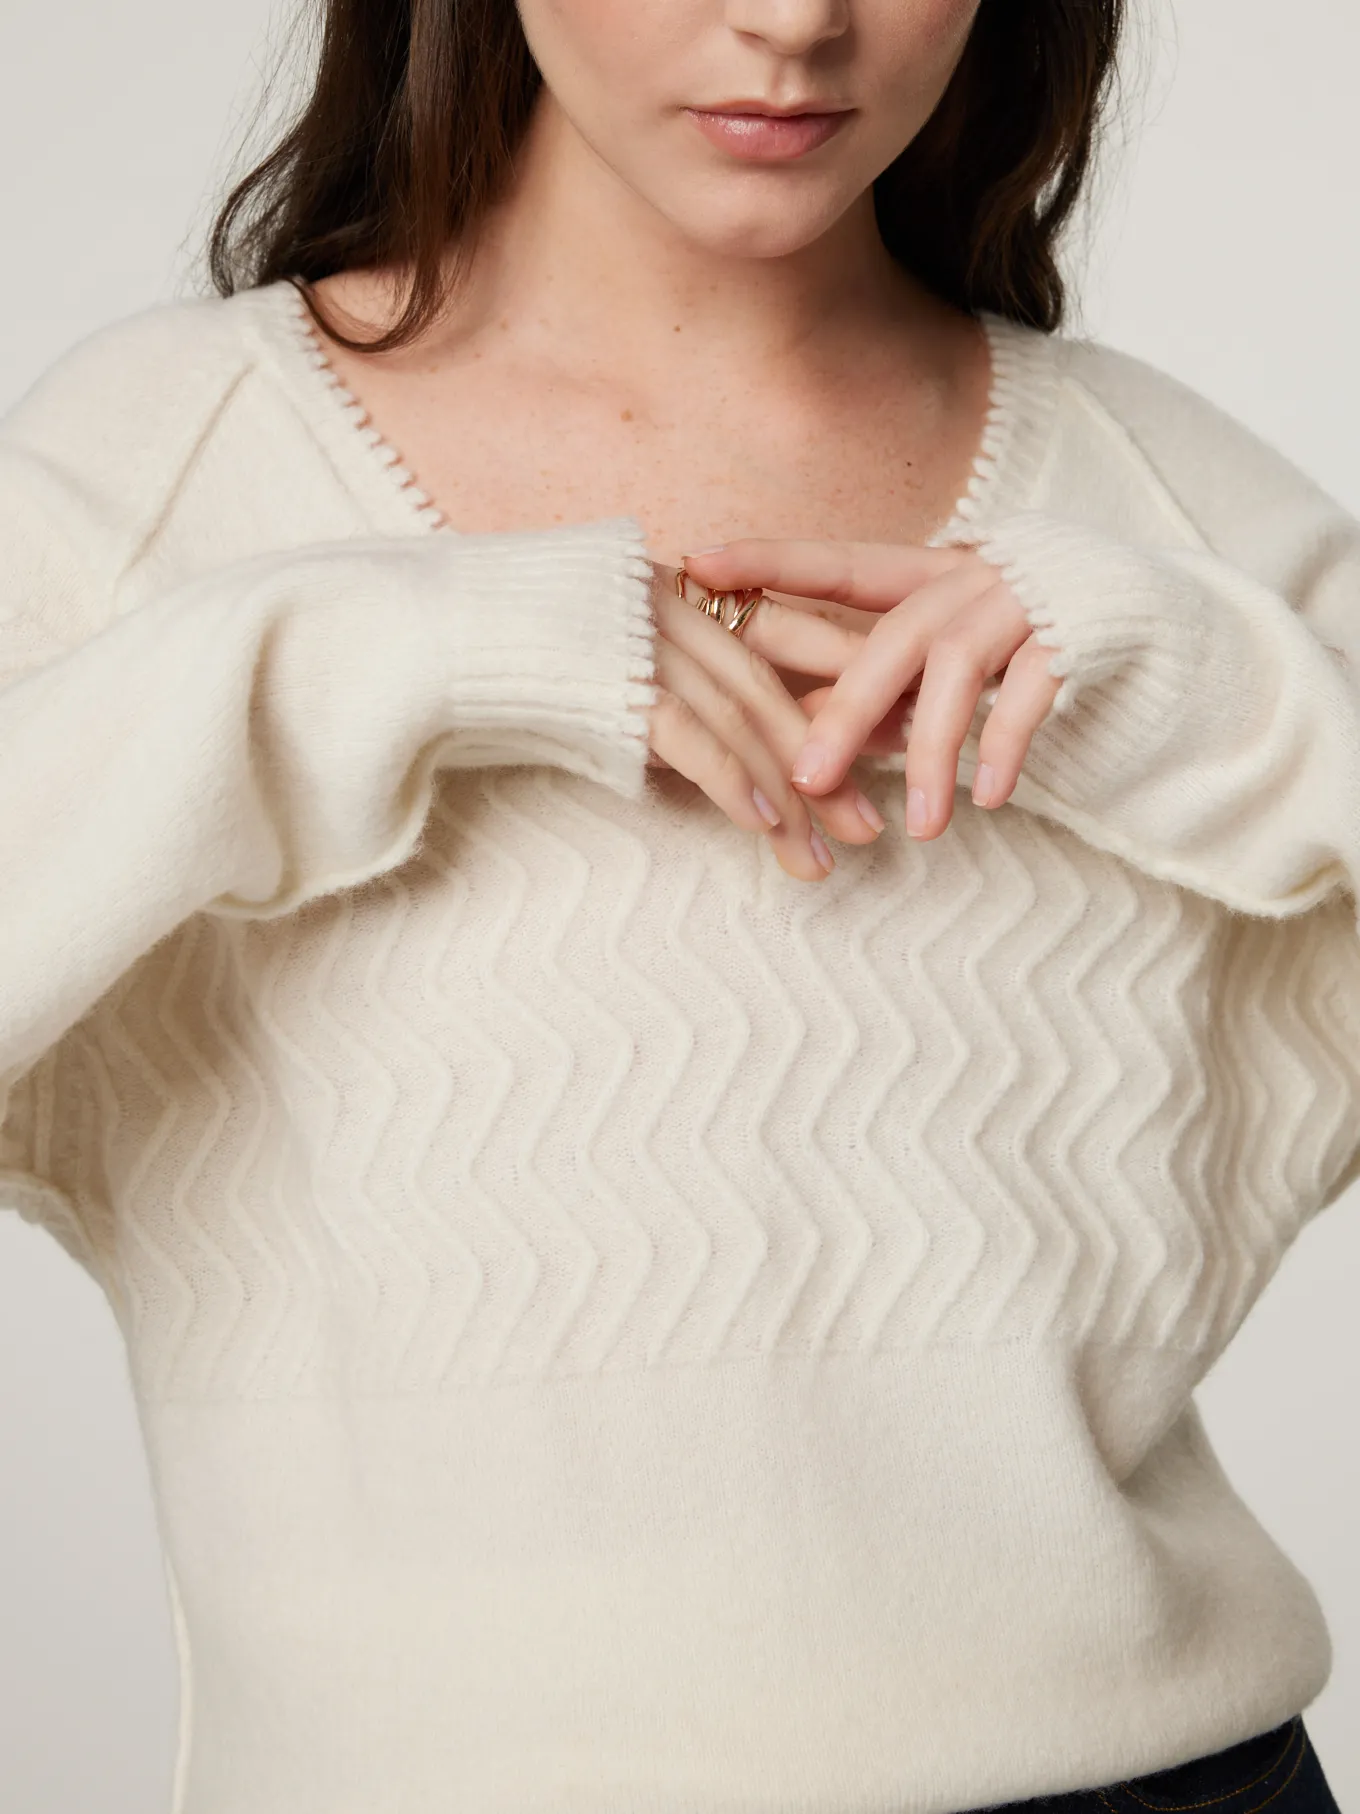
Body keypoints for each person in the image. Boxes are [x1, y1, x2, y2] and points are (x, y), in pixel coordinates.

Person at [0, 0, 1355, 1808]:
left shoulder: (1170, 506)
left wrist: (1218, 701)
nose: (794, 21)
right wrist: (376, 654)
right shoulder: (173, 469)